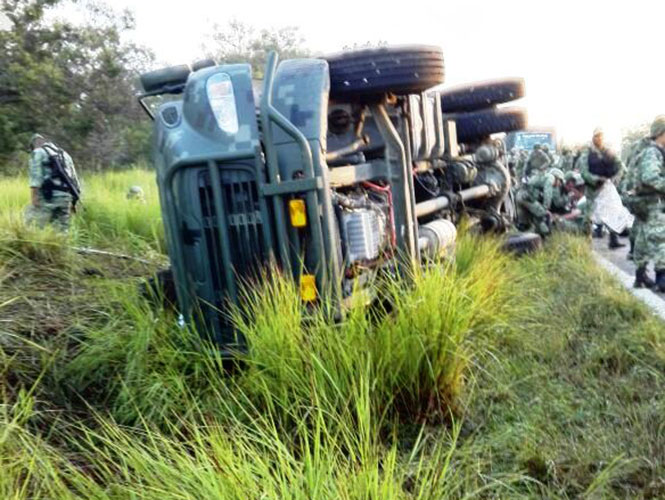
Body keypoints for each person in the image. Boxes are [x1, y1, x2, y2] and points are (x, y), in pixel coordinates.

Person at [577, 128, 626, 248]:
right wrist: (596, 179)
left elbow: (621, 166)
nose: (599, 138)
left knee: (611, 213)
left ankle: (613, 240)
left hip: (607, 188)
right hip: (593, 190)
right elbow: (583, 172)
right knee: (589, 217)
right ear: (593, 138)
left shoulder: (608, 152)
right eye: (596, 136)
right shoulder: (587, 153)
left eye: (601, 136)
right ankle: (586, 244)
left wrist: (616, 177)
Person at [634, 116, 665, 291]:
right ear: (662, 133)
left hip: (644, 201)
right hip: (651, 201)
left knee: (643, 239)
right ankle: (662, 278)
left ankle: (640, 276)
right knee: (660, 237)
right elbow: (650, 177)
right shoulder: (653, 152)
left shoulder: (651, 150)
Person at [26, 134, 80, 232]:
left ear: (34, 145)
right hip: (66, 197)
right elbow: (74, 180)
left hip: (47, 197)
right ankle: (62, 246)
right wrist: (74, 203)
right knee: (62, 231)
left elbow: (36, 177)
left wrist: (34, 199)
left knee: (32, 226)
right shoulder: (65, 154)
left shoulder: (37, 152)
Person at [515, 167, 562, 236]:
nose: (560, 184)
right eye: (560, 181)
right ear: (557, 177)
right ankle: (545, 235)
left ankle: (521, 237)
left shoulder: (542, 176)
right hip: (528, 197)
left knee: (524, 223)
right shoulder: (551, 178)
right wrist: (546, 208)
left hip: (520, 196)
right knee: (544, 215)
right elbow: (547, 192)